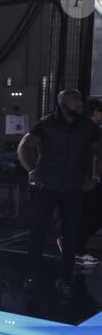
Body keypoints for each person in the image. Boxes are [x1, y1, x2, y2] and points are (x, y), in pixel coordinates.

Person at [17, 89, 101, 298]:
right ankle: (32, 274)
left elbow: (101, 152)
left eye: (80, 99)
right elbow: (23, 147)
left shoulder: (88, 127)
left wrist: (96, 177)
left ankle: (67, 278)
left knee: (71, 234)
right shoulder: (45, 124)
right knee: (38, 232)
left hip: (74, 188)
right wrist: (32, 171)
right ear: (63, 102)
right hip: (47, 186)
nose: (80, 102)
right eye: (75, 99)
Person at [73, 98, 102, 267]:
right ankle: (76, 249)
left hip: (82, 179)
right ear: (96, 113)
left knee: (86, 214)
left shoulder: (83, 128)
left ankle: (76, 248)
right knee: (94, 215)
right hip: (84, 180)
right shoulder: (89, 131)